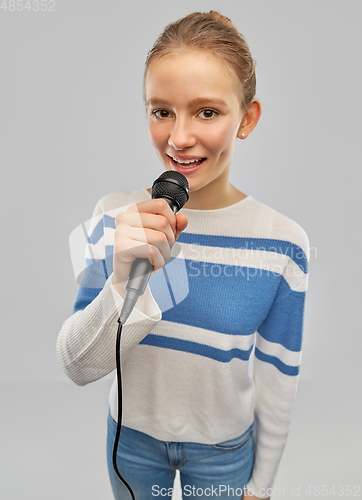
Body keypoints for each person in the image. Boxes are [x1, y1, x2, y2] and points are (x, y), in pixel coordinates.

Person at [57, 10, 309, 500]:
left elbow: (279, 376)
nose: (178, 138)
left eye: (207, 112)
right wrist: (121, 280)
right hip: (131, 442)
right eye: (161, 110)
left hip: (223, 451)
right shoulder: (114, 217)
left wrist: (261, 486)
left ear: (247, 119)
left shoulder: (283, 242)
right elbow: (77, 366)